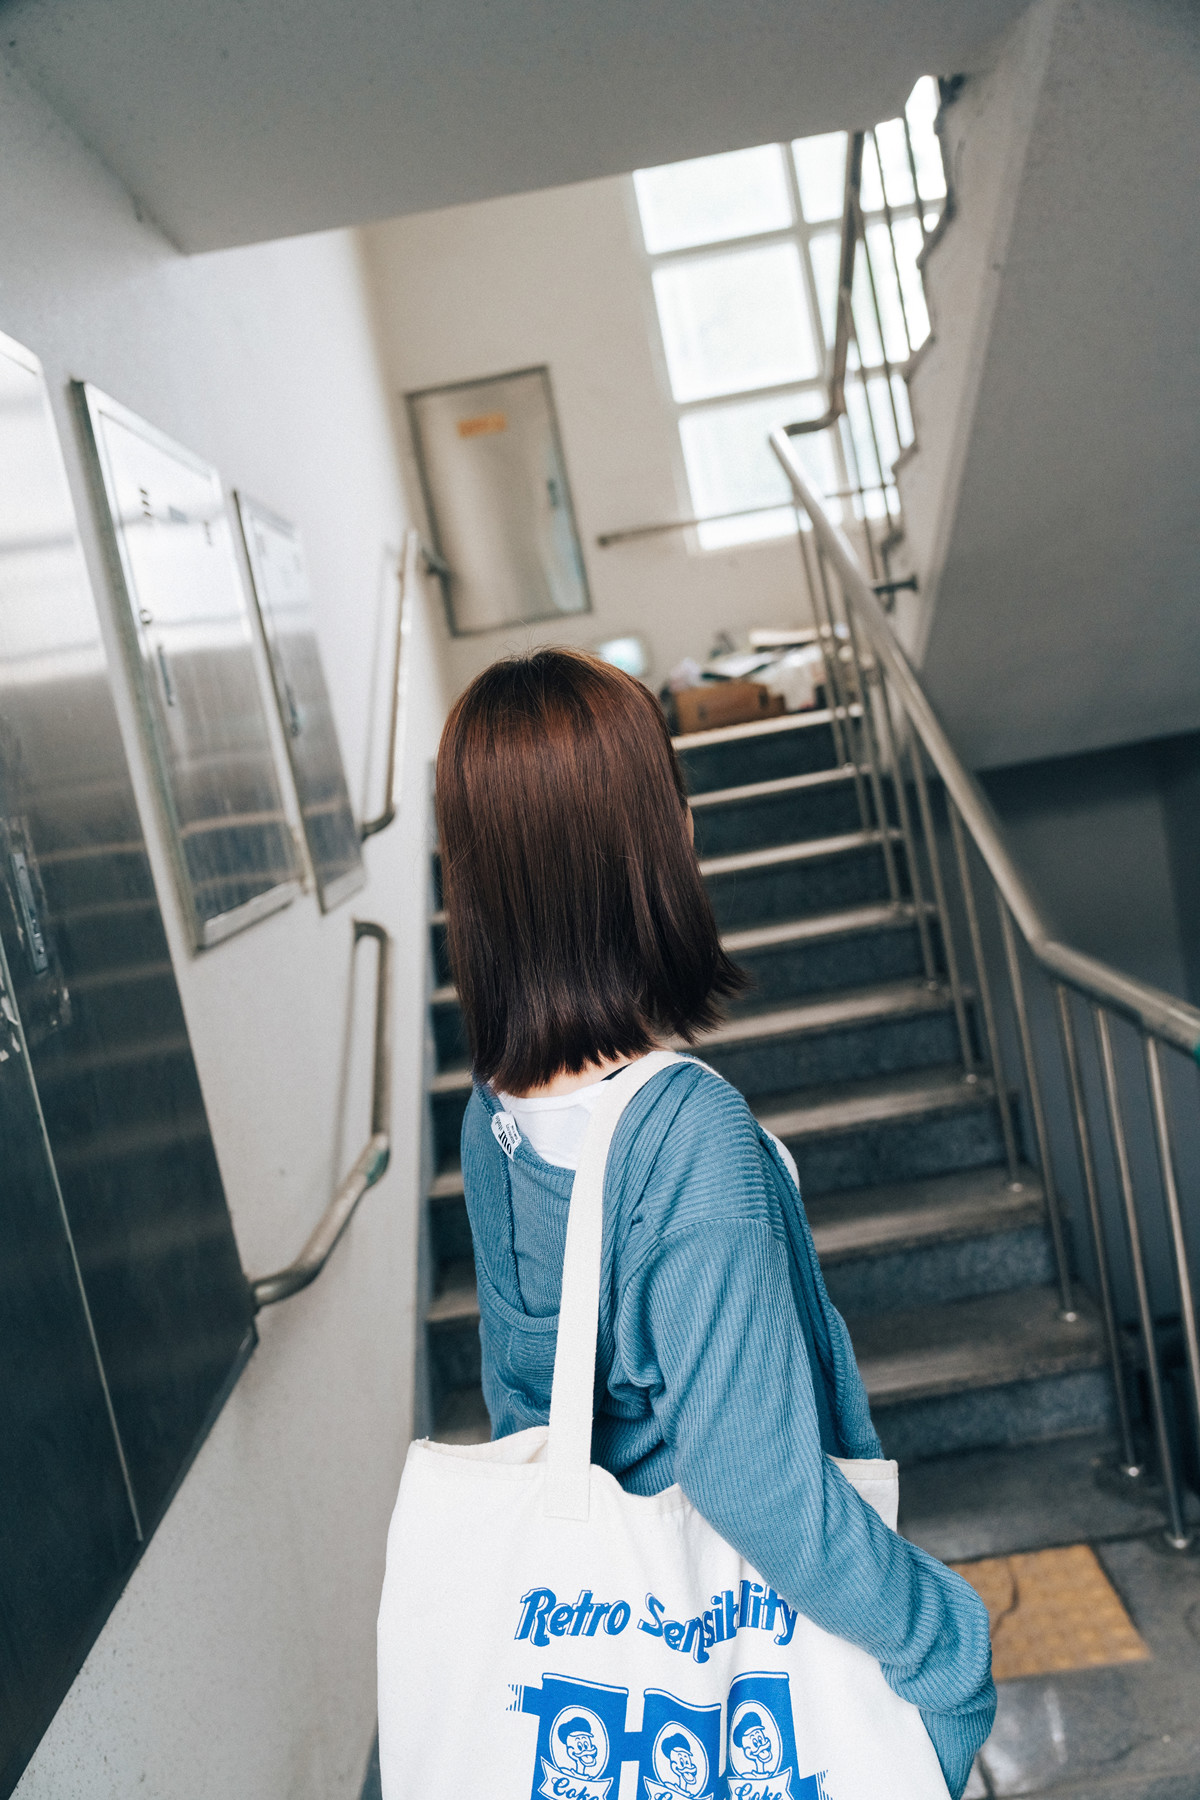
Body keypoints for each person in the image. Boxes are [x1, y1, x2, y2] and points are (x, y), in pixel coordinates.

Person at [437, 649, 995, 1800]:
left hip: (620, 1657)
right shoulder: (691, 1136)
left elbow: (524, 1408)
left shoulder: (490, 1117)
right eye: (669, 802)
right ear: (650, 847)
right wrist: (945, 1639)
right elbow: (759, 1487)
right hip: (749, 1658)